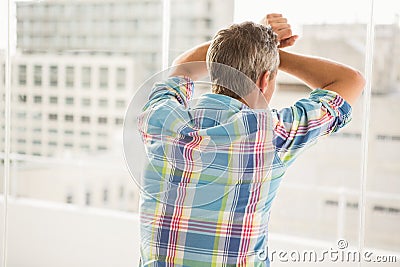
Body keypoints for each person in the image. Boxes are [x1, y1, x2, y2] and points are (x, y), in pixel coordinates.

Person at [136, 13, 365, 266]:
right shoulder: (271, 134)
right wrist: (270, 51)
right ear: (265, 79)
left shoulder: (161, 118)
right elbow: (350, 80)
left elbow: (183, 66)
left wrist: (246, 47)